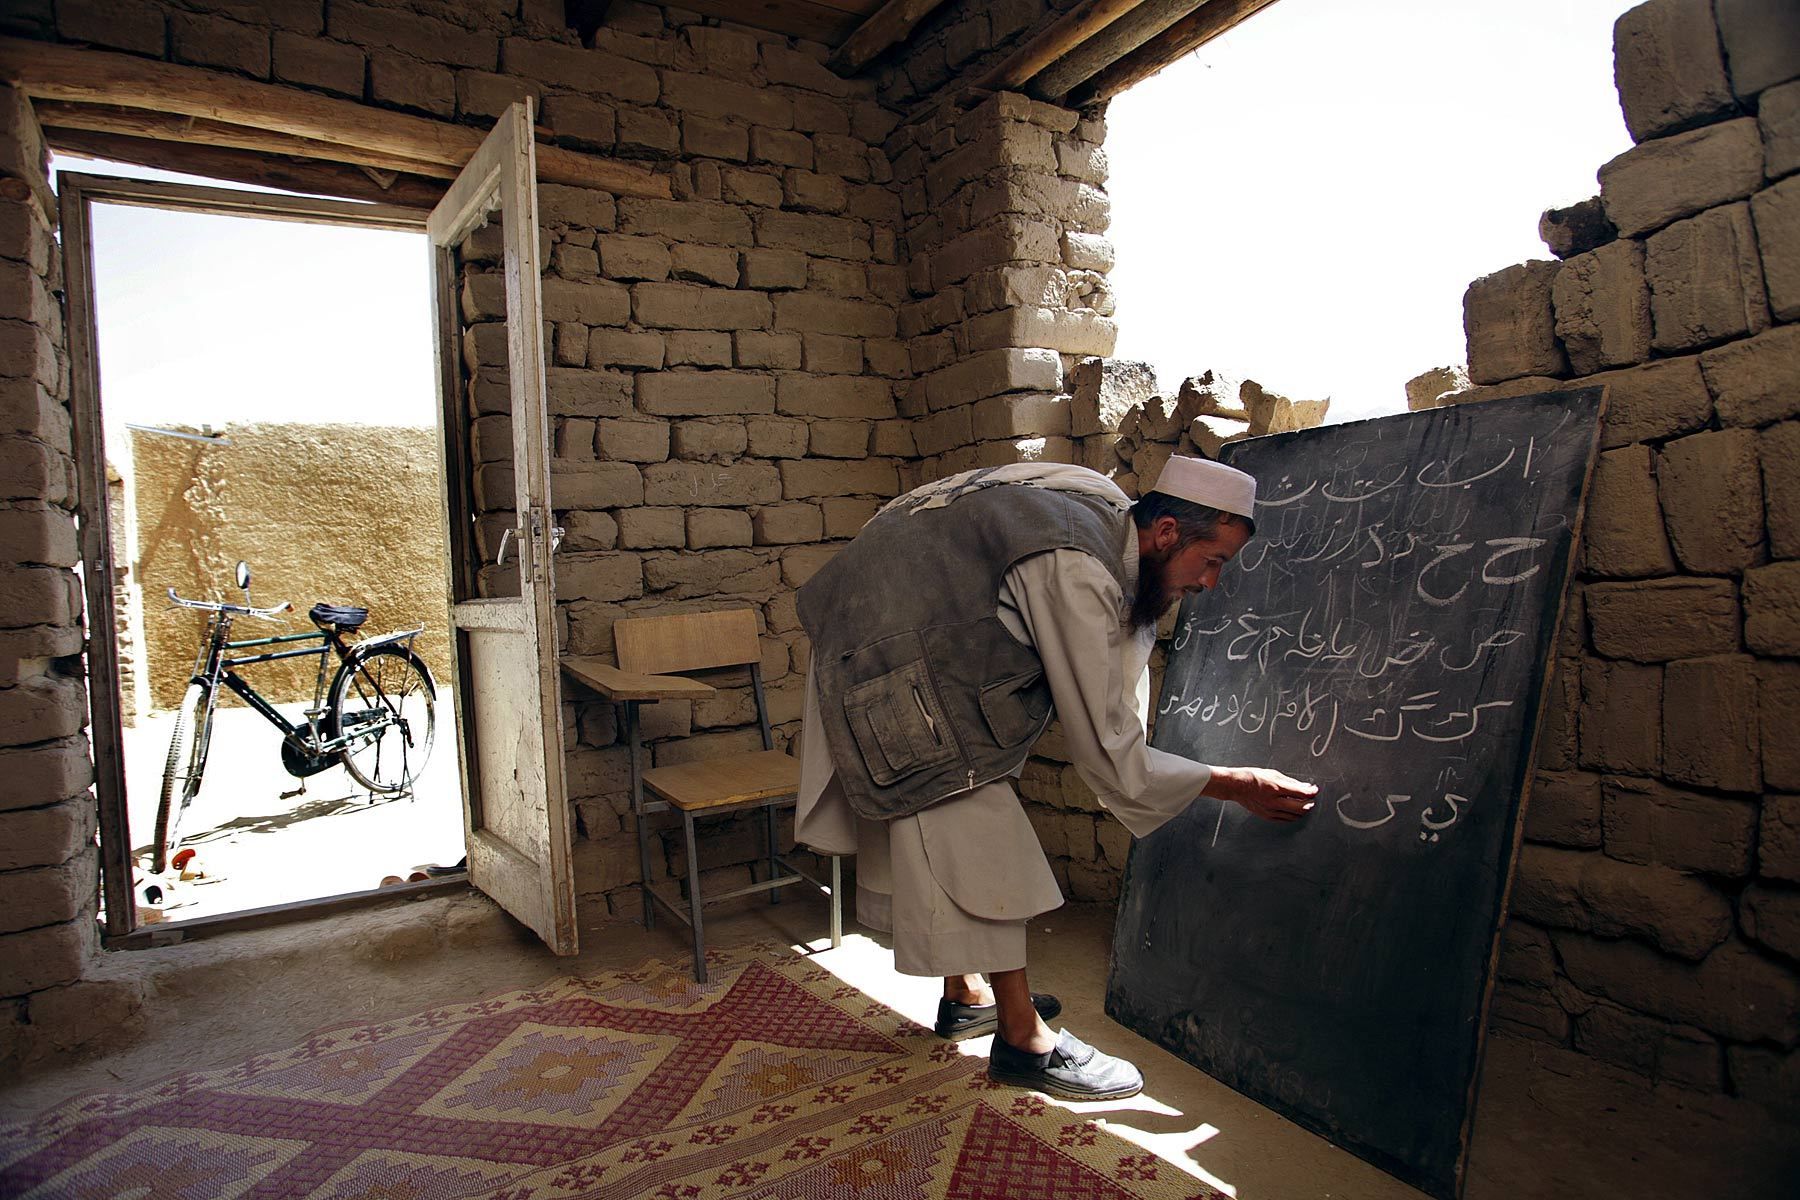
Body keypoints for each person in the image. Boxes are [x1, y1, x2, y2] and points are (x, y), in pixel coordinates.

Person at [794, 456, 1318, 1100]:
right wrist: (1234, 784)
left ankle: (965, 993)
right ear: (1167, 533)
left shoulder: (1100, 503)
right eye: (1212, 562)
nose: (1210, 582)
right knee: (979, 835)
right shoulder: (1075, 568)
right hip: (885, 659)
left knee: (956, 831)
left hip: (889, 630)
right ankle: (1023, 1041)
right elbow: (1110, 754)